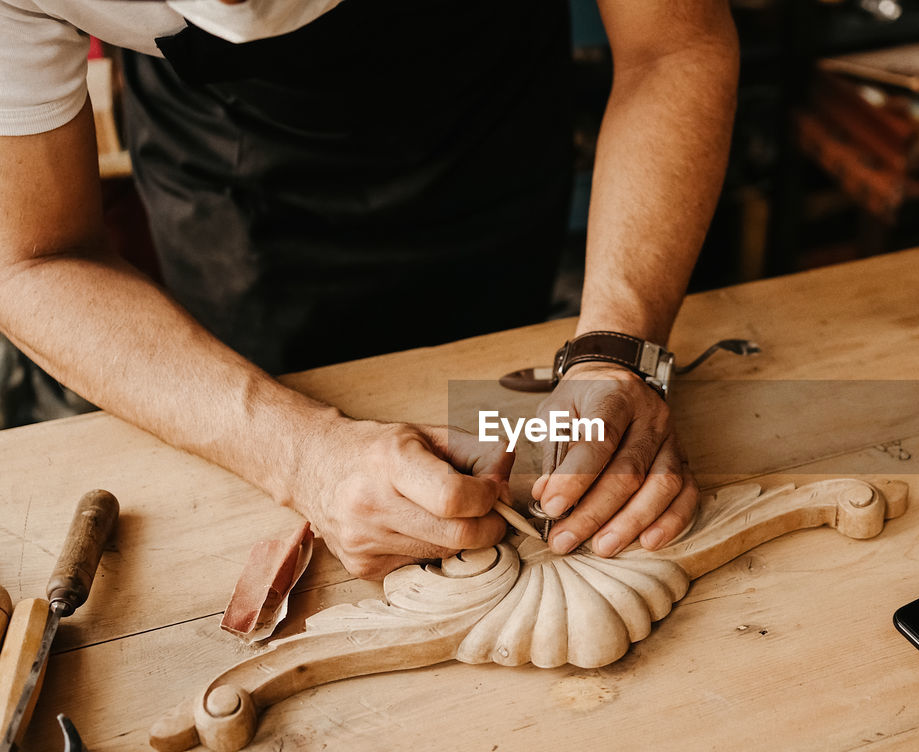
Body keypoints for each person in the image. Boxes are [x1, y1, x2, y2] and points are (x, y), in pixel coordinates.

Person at [0, 0, 738, 578]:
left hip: (484, 119)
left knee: (490, 411)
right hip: (234, 175)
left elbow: (670, 47)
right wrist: (301, 456)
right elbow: (30, 259)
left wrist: (614, 349)